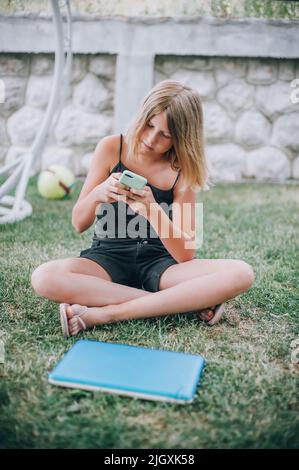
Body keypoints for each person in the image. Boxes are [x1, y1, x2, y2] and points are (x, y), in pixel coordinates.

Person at [31, 80, 254, 336]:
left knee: (241, 273)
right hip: (106, 260)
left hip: (161, 266)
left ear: (181, 138)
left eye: (165, 135)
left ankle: (106, 313)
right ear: (142, 116)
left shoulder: (182, 170)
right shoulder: (112, 147)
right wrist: (97, 195)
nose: (151, 139)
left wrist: (152, 210)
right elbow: (78, 222)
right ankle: (179, 303)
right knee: (44, 277)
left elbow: (185, 254)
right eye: (149, 125)